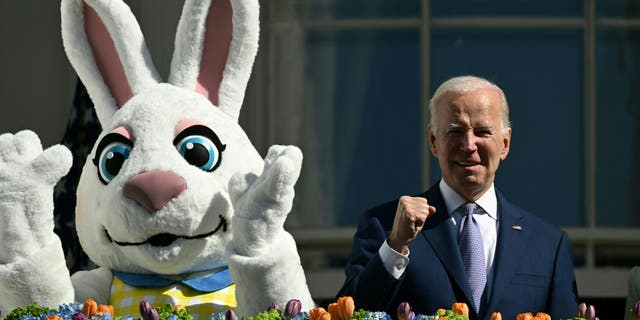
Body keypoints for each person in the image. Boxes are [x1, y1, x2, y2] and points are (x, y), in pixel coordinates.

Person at [337, 75, 578, 320]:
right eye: (455, 131)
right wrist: (396, 246)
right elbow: (349, 314)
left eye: (483, 132)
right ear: (433, 141)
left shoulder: (548, 245)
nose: (469, 144)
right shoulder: (385, 226)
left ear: (505, 143)